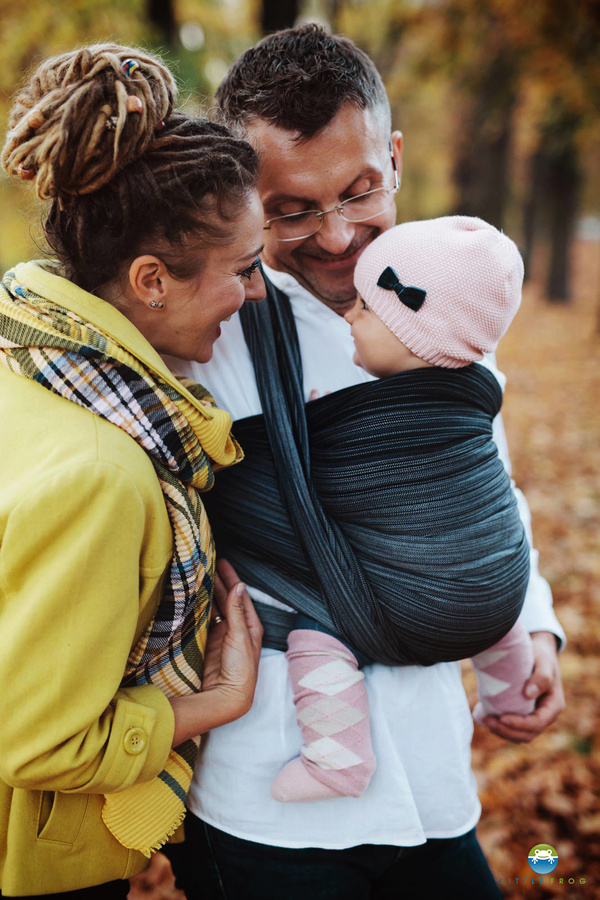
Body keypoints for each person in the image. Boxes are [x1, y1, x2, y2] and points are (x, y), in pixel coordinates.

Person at [166, 25, 565, 900]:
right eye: (293, 209)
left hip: (432, 777)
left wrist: (529, 623)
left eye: (359, 191)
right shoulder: (208, 335)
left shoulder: (447, 297)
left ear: (392, 157)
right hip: (270, 795)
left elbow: (476, 488)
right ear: (246, 197)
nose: (339, 236)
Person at [0, 43, 266, 898]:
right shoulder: (108, 474)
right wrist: (215, 700)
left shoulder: (26, 359)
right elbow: (41, 742)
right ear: (152, 279)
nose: (258, 293)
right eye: (244, 269)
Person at [269, 215, 537, 804]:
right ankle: (514, 693)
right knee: (489, 585)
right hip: (495, 600)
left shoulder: (374, 419)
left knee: (317, 635)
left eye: (367, 307)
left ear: (415, 332)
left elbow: (331, 485)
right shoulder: (475, 397)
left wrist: (318, 428)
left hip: (415, 609)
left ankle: (336, 760)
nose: (350, 314)